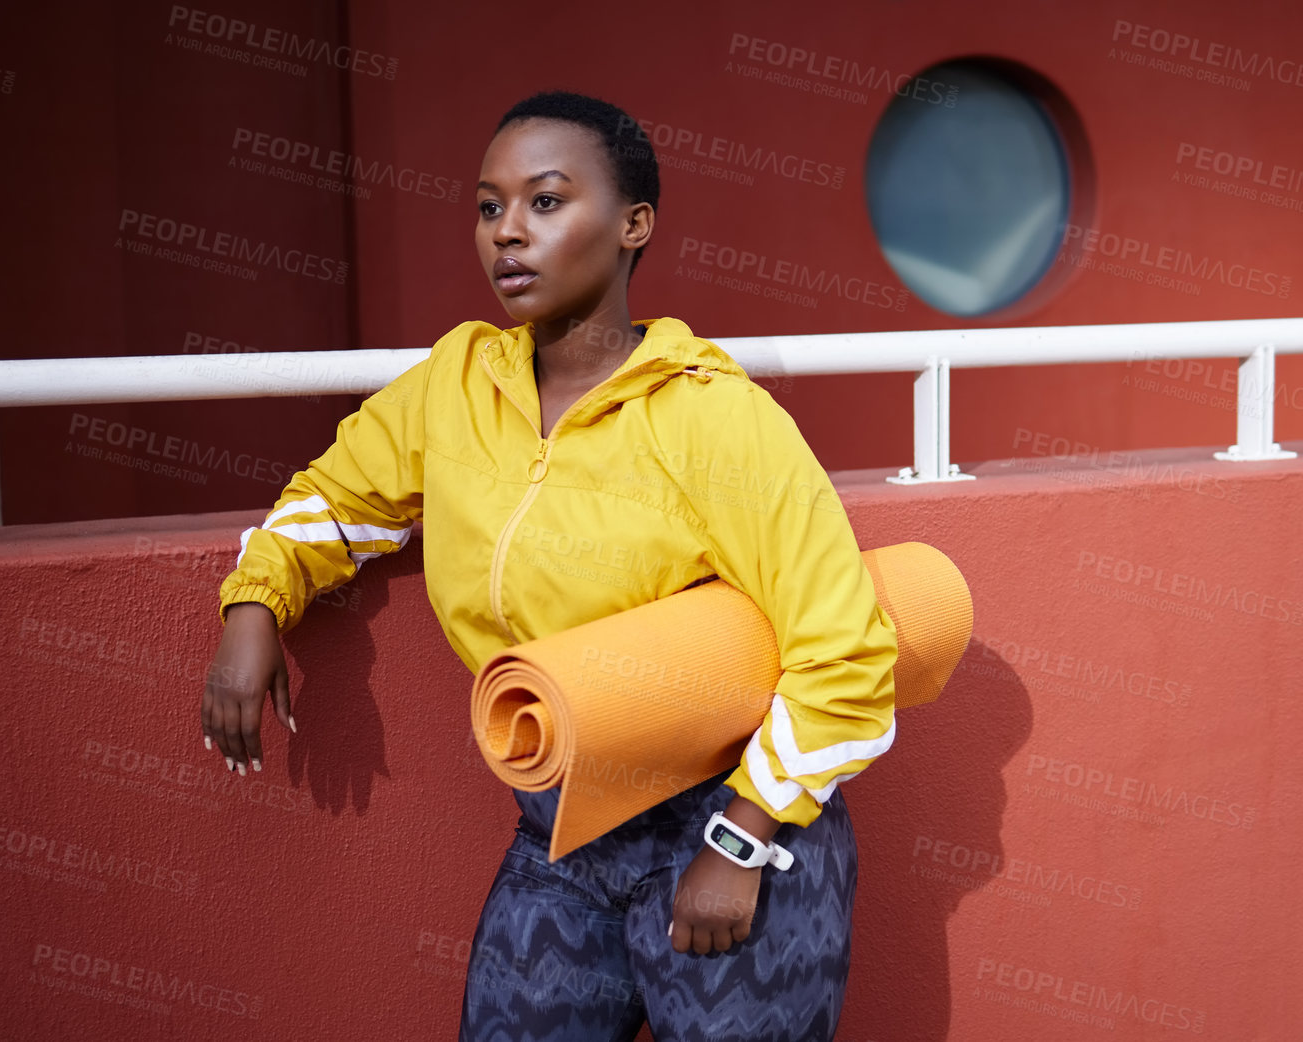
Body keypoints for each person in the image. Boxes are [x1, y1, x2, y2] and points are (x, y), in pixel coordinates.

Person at [200, 90, 899, 1042]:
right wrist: (254, 610)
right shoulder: (458, 382)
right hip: (558, 833)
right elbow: (336, 499)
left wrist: (740, 843)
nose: (507, 235)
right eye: (489, 208)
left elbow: (845, 648)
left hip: (731, 822)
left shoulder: (711, 416)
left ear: (632, 225)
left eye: (545, 202)